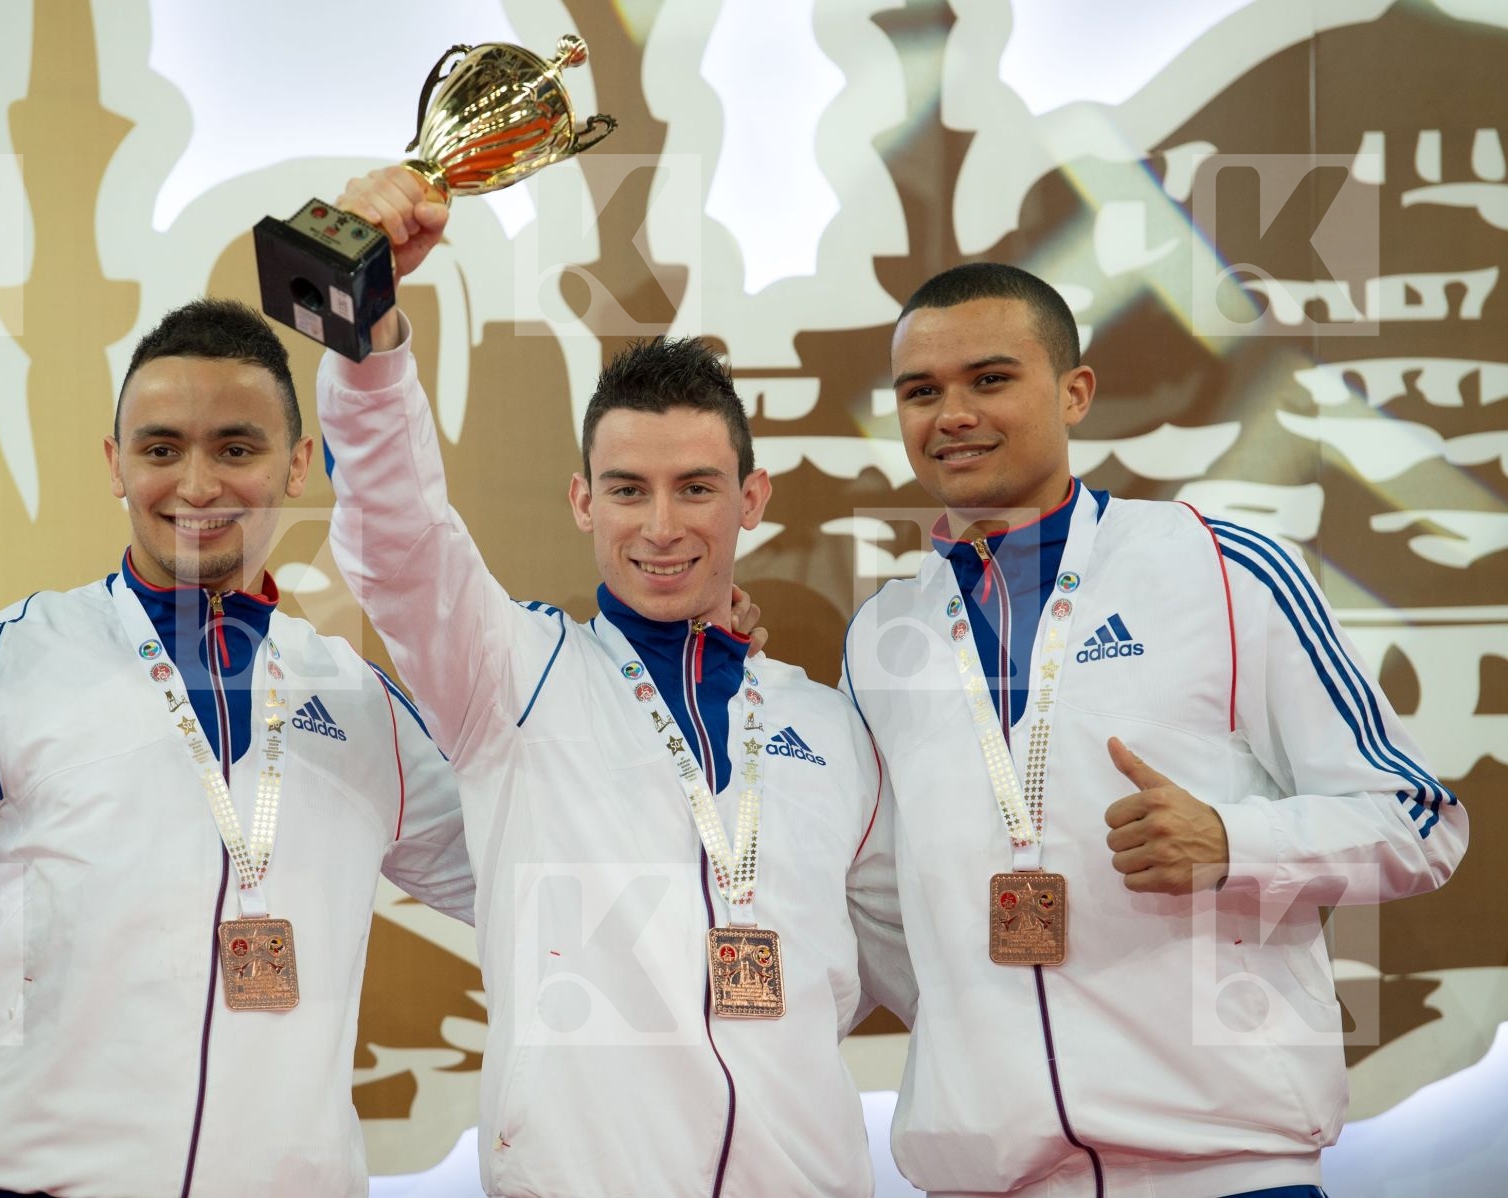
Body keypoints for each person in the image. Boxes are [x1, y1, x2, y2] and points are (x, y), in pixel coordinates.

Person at [0, 299, 473, 1197]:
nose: (197, 486)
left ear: (299, 464)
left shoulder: (360, 704)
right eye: (162, 450)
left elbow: (512, 876)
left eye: (237, 449)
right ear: (116, 465)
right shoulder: (4, 669)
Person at [312, 167, 905, 1198]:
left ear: (751, 498)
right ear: (584, 501)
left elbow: (892, 956)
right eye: (629, 489)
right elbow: (397, 535)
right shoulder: (511, 681)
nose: (662, 526)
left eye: (696, 488)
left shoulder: (827, 728)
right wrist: (364, 321)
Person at [843, 262, 1468, 1198]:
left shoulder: (1223, 567)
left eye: (991, 379)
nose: (953, 414)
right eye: (921, 391)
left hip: (1226, 1170)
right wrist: (976, 1028)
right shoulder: (883, 634)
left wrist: (1232, 841)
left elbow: (1420, 820)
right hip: (989, 1180)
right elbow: (881, 899)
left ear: (1075, 392)